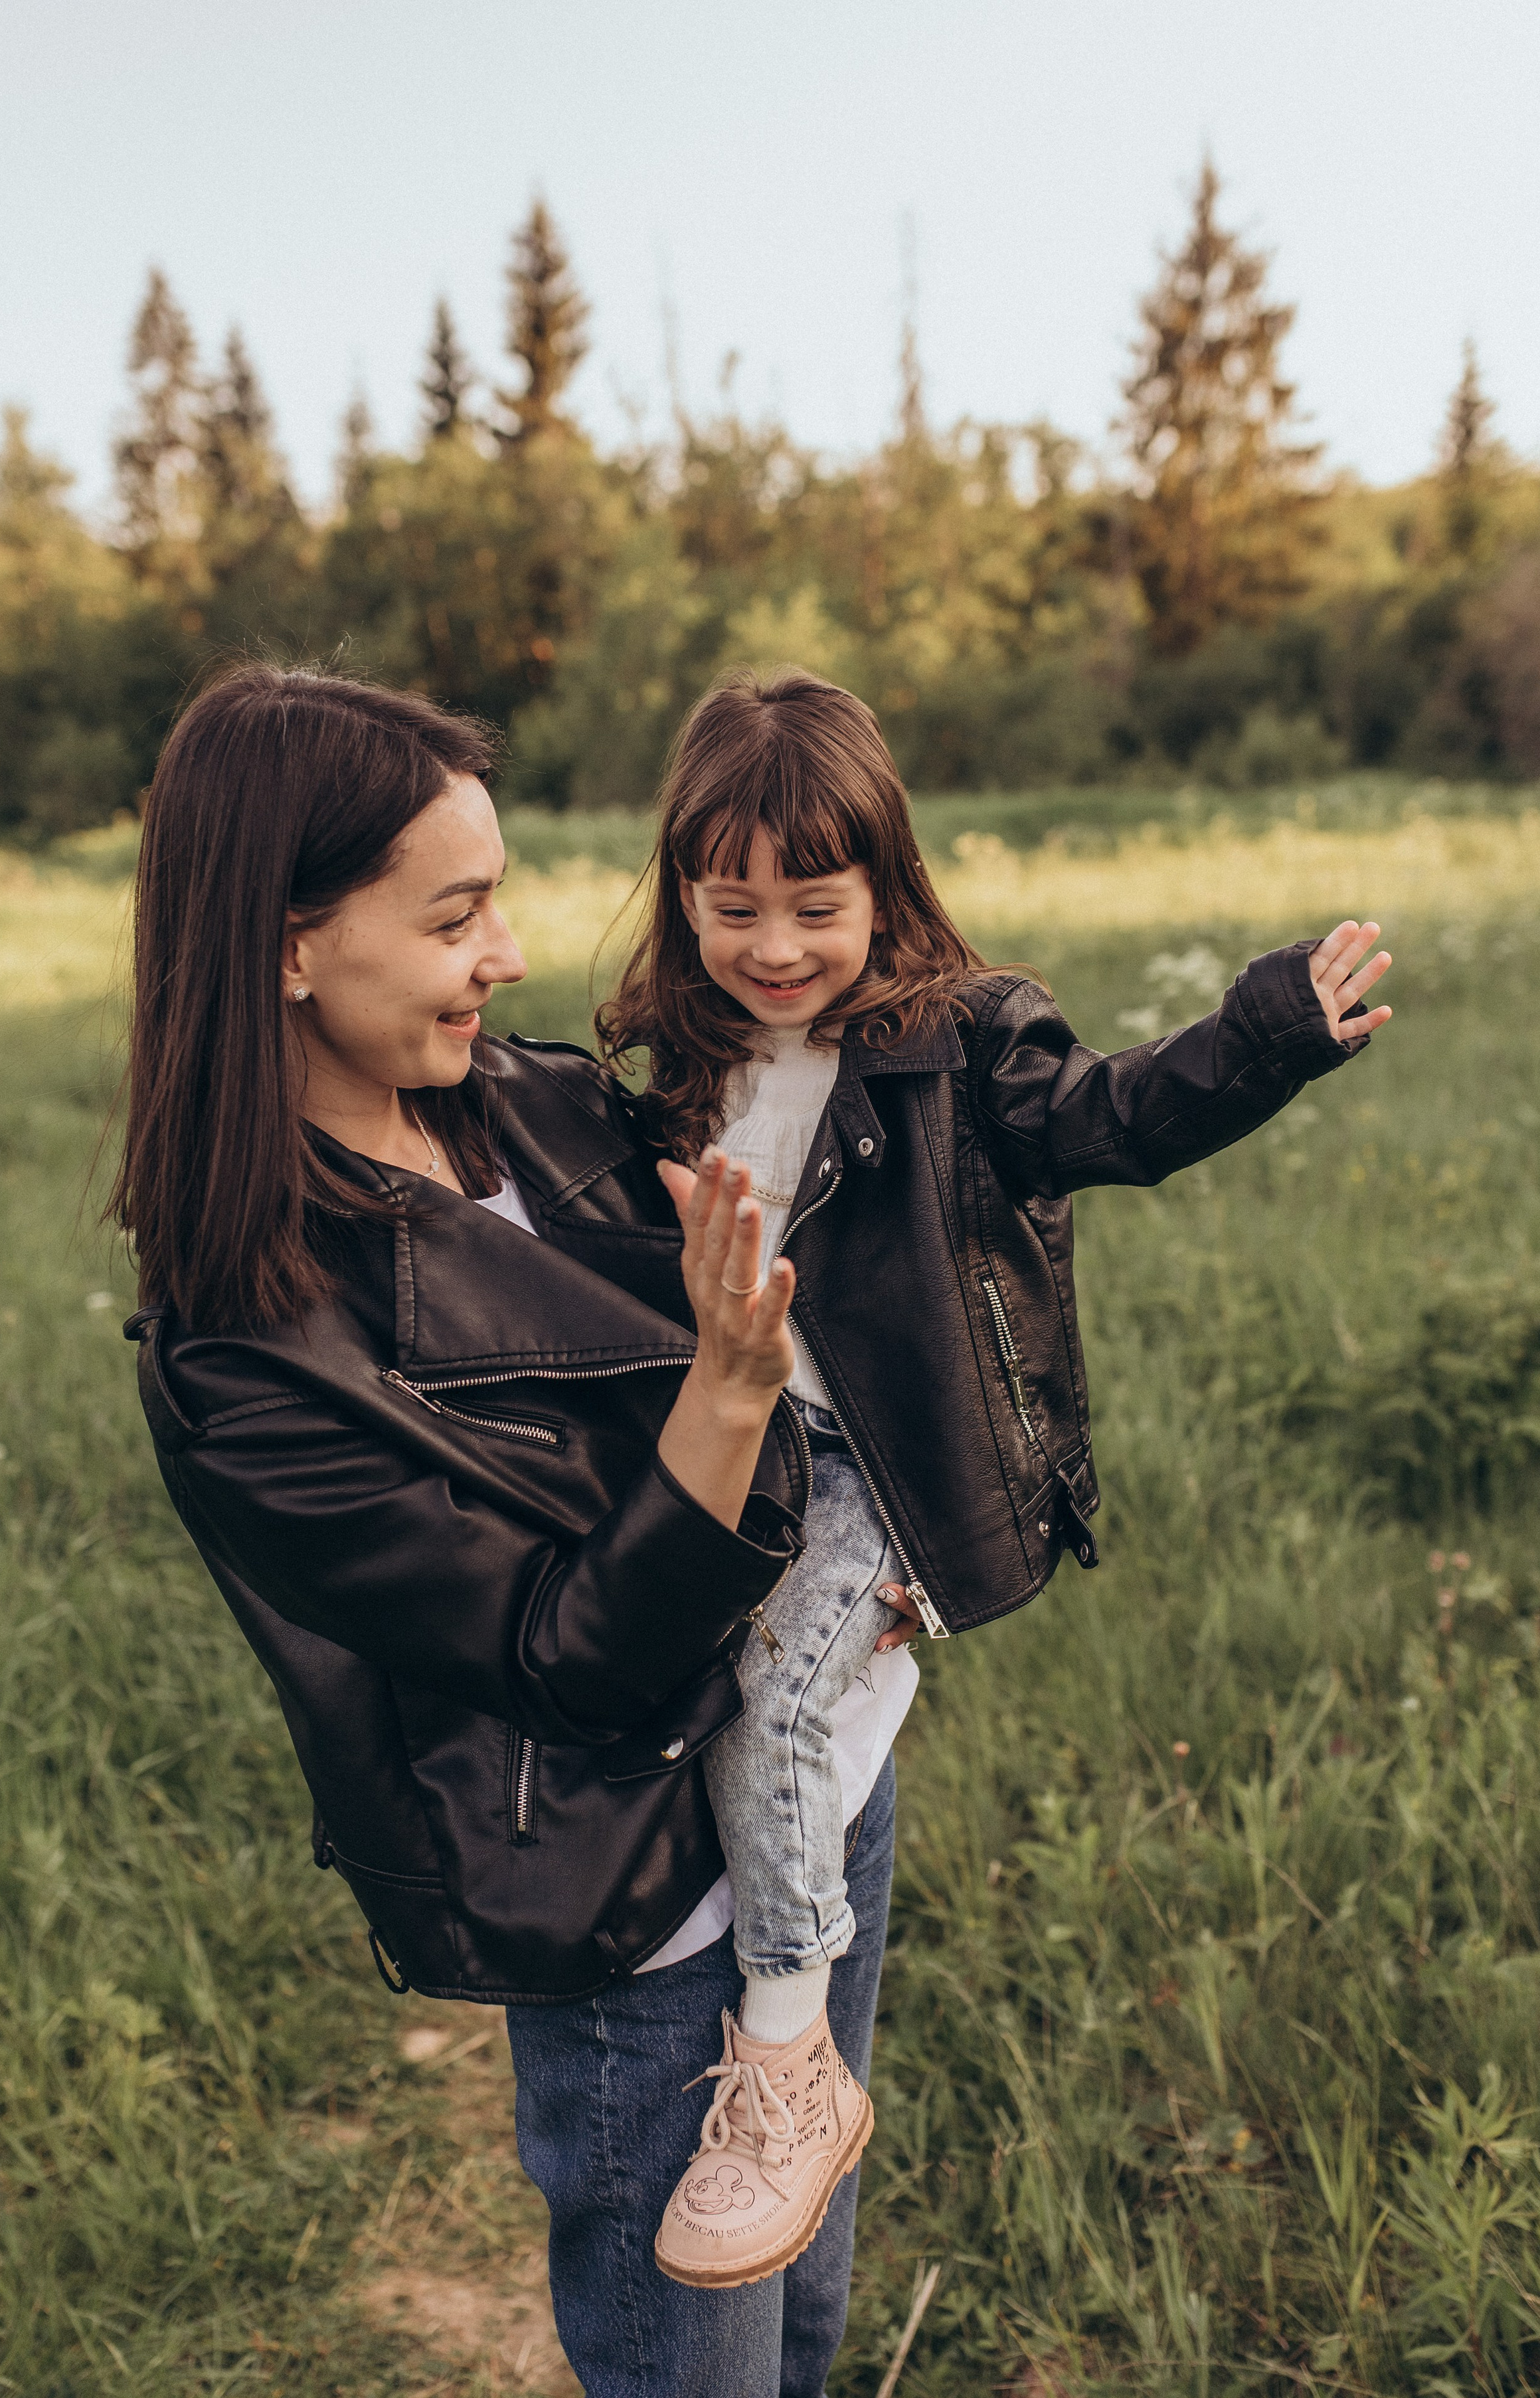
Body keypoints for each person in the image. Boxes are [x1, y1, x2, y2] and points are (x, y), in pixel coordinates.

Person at [112, 663, 920, 2398]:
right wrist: (722, 1394)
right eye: (456, 913)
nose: (511, 954)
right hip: (628, 1895)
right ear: (287, 944)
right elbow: (573, 1666)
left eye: (502, 901)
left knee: (792, 2344)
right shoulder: (251, 1355)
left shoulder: (529, 1111)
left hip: (805, 1789)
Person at [596, 667, 1395, 2289]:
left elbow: (1118, 1116)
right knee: (665, 1688)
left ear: (885, 891)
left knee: (778, 1701)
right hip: (723, 1439)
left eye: (812, 907)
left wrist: (1264, 1036)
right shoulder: (677, 1061)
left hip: (875, 1465)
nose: (767, 947)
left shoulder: (960, 1048)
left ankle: (785, 2059)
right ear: (681, 897)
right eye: (727, 905)